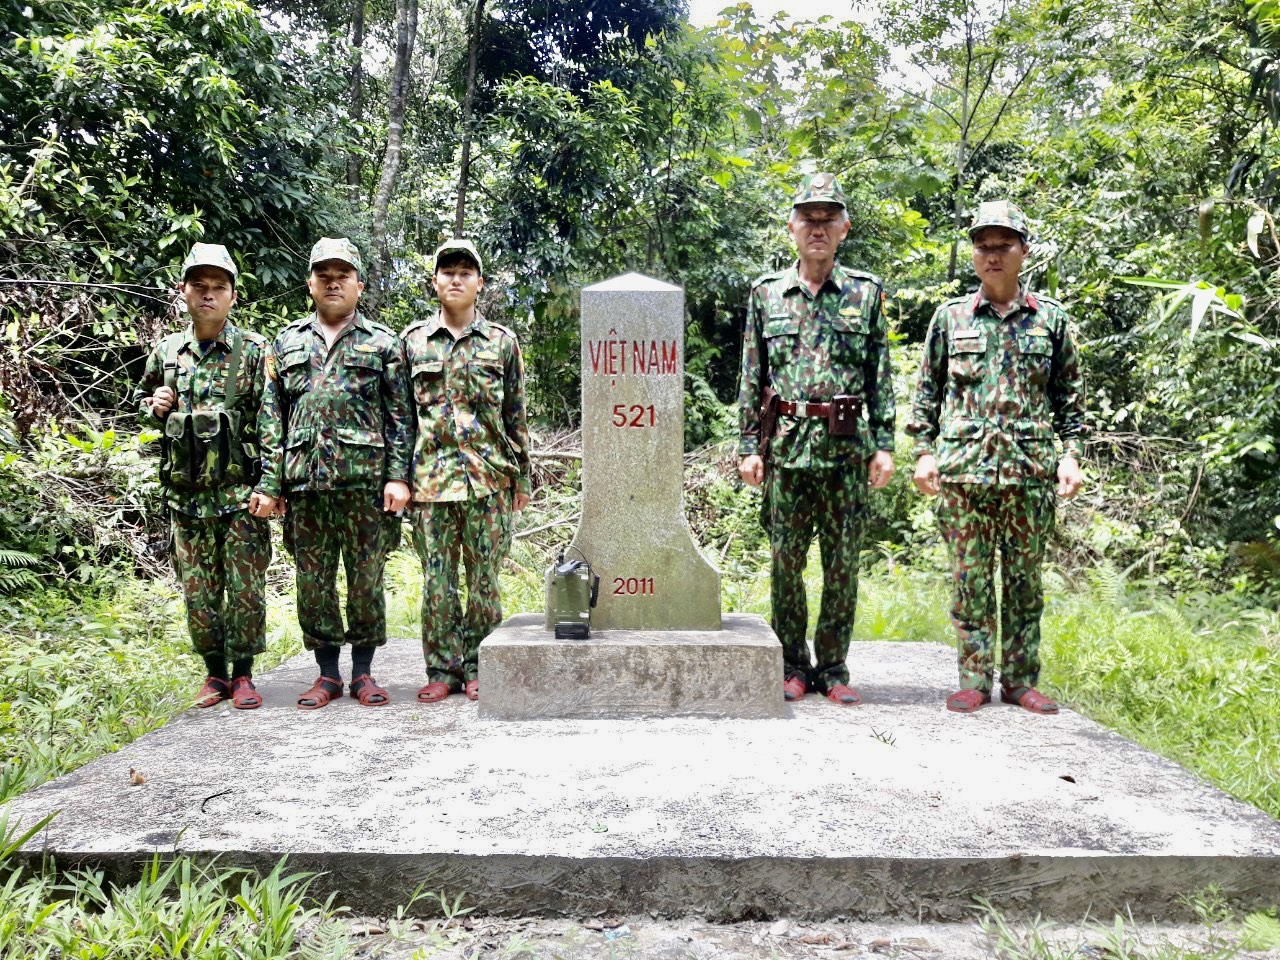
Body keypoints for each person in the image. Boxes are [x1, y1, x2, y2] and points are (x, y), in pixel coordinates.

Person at [906, 200, 1085, 715]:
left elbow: (1070, 404)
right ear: (974, 255)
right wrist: (923, 453)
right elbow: (925, 395)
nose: (992, 255)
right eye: (983, 246)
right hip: (964, 475)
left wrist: (1070, 457)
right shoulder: (950, 318)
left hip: (1029, 474)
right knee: (970, 582)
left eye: (1003, 245)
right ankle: (974, 680)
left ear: (1023, 251)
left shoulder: (1051, 321)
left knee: (1025, 585)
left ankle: (1021, 681)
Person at [737, 173, 896, 705]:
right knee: (786, 563)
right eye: (809, 218)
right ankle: (792, 665)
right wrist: (747, 447)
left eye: (829, 218)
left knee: (843, 564)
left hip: (847, 450)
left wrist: (885, 444)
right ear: (792, 228)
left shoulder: (865, 293)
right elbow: (752, 375)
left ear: (844, 228)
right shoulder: (766, 294)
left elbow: (880, 374)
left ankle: (832, 667)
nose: (818, 228)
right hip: (785, 447)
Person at [258, 237, 413, 709]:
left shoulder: (384, 344)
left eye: (342, 274)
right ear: (310, 284)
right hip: (305, 483)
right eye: (323, 274)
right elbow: (272, 418)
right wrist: (271, 482)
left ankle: (364, 673)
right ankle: (326, 674)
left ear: (359, 286)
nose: (332, 282)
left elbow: (400, 416)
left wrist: (398, 476)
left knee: (366, 579)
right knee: (313, 581)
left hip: (366, 485)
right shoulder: (285, 343)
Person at [138, 243, 278, 710]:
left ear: (233, 295)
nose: (208, 295)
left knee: (244, 590)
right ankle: (214, 674)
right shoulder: (166, 353)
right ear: (184, 290)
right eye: (200, 286)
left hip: (238, 495)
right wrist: (155, 408)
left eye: (219, 287)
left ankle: (242, 676)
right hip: (186, 496)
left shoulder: (255, 351)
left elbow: (272, 421)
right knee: (198, 592)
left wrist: (269, 486)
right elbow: (147, 413)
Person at [402, 238, 531, 703]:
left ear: (479, 283)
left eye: (465, 273)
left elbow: (516, 413)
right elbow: (401, 418)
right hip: (430, 483)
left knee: (484, 580)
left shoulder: (502, 342)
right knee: (438, 581)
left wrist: (523, 478)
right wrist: (399, 479)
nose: (456, 279)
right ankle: (442, 669)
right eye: (448, 272)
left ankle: (479, 664)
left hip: (490, 479)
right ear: (434, 281)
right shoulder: (413, 342)